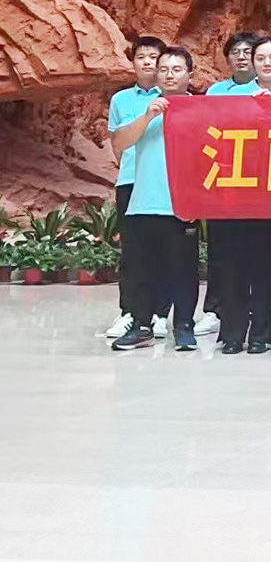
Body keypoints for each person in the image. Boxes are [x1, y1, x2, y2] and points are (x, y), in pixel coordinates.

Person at [109, 47, 199, 352]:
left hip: (183, 203)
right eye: (164, 69)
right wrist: (148, 116)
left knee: (183, 268)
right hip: (143, 200)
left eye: (177, 69)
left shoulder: (200, 108)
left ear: (190, 74)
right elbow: (120, 143)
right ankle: (142, 325)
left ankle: (184, 327)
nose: (170, 75)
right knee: (141, 268)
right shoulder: (144, 106)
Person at [208, 35, 271, 355]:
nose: (267, 63)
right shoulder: (231, 97)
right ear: (253, 63)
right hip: (234, 191)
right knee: (232, 265)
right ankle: (232, 332)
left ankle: (262, 333)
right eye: (261, 58)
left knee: (265, 267)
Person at [197, 32, 261, 340]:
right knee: (220, 249)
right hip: (224, 178)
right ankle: (215, 309)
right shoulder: (216, 91)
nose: (241, 56)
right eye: (235, 51)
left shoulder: (269, 91)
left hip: (260, 181)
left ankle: (254, 312)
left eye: (247, 51)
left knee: (254, 251)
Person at [105, 35, 166, 341]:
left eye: (154, 57)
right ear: (132, 63)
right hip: (131, 182)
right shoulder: (121, 100)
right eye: (141, 56)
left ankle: (160, 313)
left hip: (165, 185)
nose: (147, 62)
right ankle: (129, 311)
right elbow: (118, 145)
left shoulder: (175, 97)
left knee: (164, 251)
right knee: (133, 252)